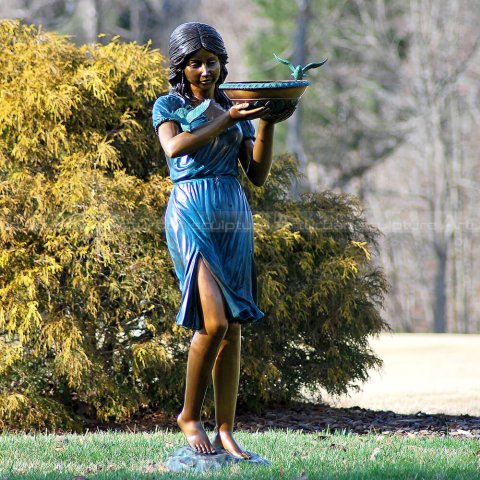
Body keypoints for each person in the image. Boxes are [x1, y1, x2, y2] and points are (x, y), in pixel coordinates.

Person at [152, 22, 275, 459]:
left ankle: (225, 429)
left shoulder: (233, 106)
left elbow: (257, 176)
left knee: (234, 328)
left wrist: (266, 123)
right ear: (181, 66)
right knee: (215, 322)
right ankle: (189, 415)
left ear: (223, 63)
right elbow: (175, 148)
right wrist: (227, 118)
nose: (205, 70)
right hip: (190, 211)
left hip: (232, 212)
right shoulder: (168, 105)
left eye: (212, 61)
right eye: (196, 63)